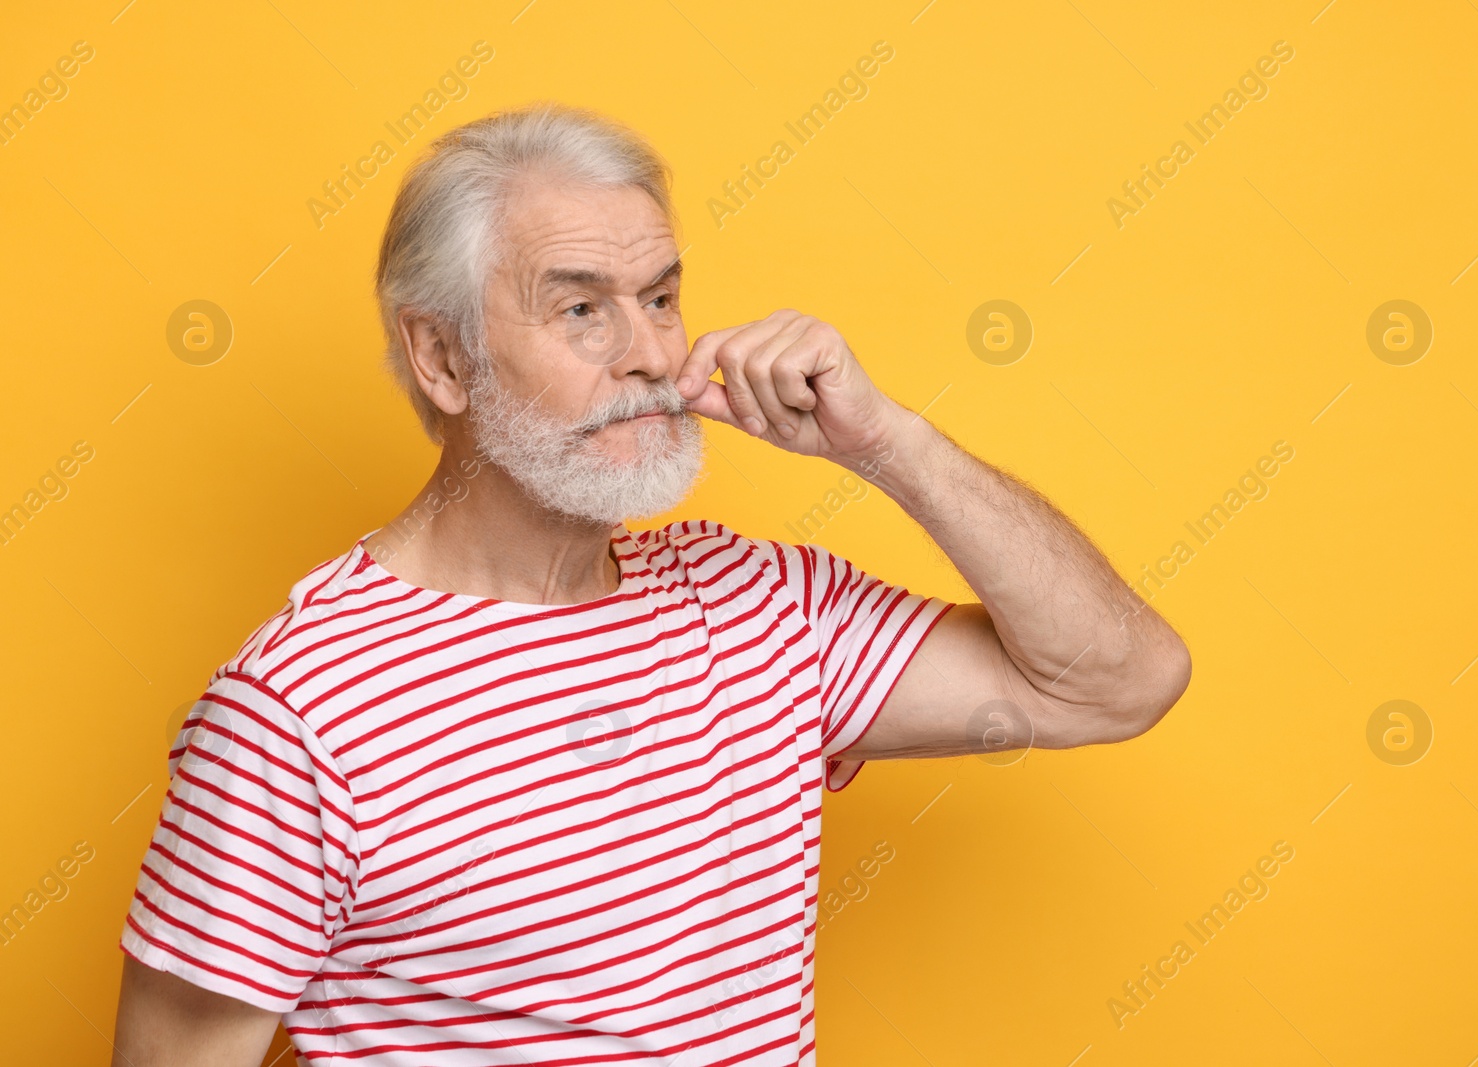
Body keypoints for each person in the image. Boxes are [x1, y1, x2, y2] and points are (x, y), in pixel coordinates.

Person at [111, 101, 1191, 1066]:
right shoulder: (299, 712)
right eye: (580, 308)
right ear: (441, 357)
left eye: (662, 298)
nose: (645, 354)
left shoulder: (768, 607)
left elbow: (1118, 680)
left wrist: (889, 444)